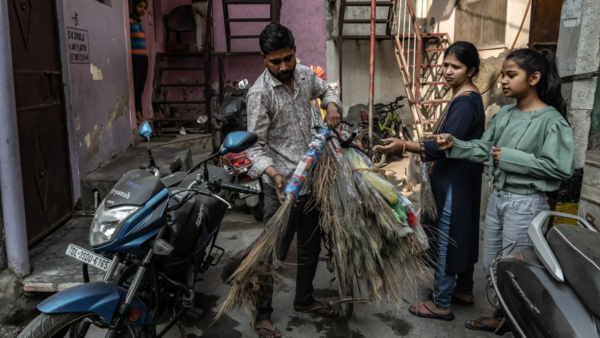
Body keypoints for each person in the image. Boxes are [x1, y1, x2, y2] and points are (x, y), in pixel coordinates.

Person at [429, 48, 575, 331]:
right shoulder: (505, 114)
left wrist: (509, 158)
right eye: (503, 76)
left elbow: (560, 168)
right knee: (494, 264)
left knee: (517, 269)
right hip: (498, 198)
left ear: (534, 78)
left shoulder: (551, 121)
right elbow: (484, 148)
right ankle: (502, 315)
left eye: (511, 75)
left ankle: (519, 322)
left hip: (526, 203)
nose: (503, 82)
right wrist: (454, 145)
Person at [374, 41, 485, 321]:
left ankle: (442, 302)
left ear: (470, 70)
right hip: (461, 180)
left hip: (453, 184)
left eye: (455, 67)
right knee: (463, 232)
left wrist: (405, 145)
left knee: (447, 237)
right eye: (445, 65)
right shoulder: (464, 97)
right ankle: (464, 290)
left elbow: (443, 147)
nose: (447, 71)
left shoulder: (465, 102)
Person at [245, 23, 342, 338]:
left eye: (288, 58)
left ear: (295, 51)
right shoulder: (260, 94)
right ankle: (262, 315)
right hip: (282, 187)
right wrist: (274, 175)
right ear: (264, 58)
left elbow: (326, 88)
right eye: (276, 61)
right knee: (272, 252)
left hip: (312, 179)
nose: (284, 67)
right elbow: (254, 148)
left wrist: (330, 106)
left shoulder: (302, 74)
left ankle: (304, 299)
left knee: (311, 246)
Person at [130, 0, 151, 125]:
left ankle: (140, 114)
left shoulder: (140, 24)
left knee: (141, 88)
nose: (142, 9)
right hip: (135, 57)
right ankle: (137, 115)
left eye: (144, 7)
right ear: (134, 6)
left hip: (143, 57)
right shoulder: (129, 22)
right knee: (136, 87)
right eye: (140, 6)